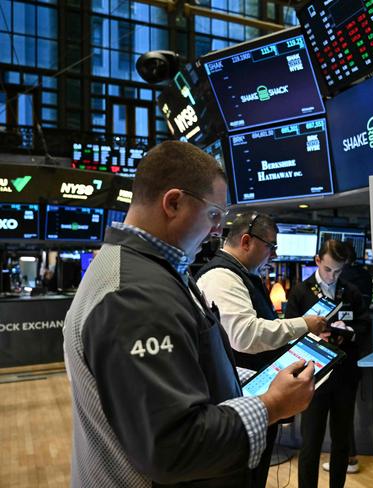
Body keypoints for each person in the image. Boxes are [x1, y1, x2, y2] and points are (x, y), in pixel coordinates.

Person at [63, 141, 316, 488]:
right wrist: (271, 405)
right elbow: (173, 447)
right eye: (214, 215)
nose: (217, 230)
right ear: (174, 202)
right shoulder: (134, 295)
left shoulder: (147, 271)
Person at [195, 212, 327, 486]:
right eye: (271, 246)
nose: (274, 255)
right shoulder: (222, 277)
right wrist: (303, 324)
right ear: (246, 241)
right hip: (240, 400)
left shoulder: (239, 275)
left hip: (253, 397)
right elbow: (246, 336)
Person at [285, 239, 371, 488]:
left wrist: (349, 330)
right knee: (311, 441)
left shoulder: (351, 292)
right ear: (317, 261)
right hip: (313, 377)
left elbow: (364, 325)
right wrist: (313, 335)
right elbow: (288, 332)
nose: (332, 276)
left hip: (345, 376)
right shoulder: (301, 292)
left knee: (341, 440)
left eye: (338, 271)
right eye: (328, 269)